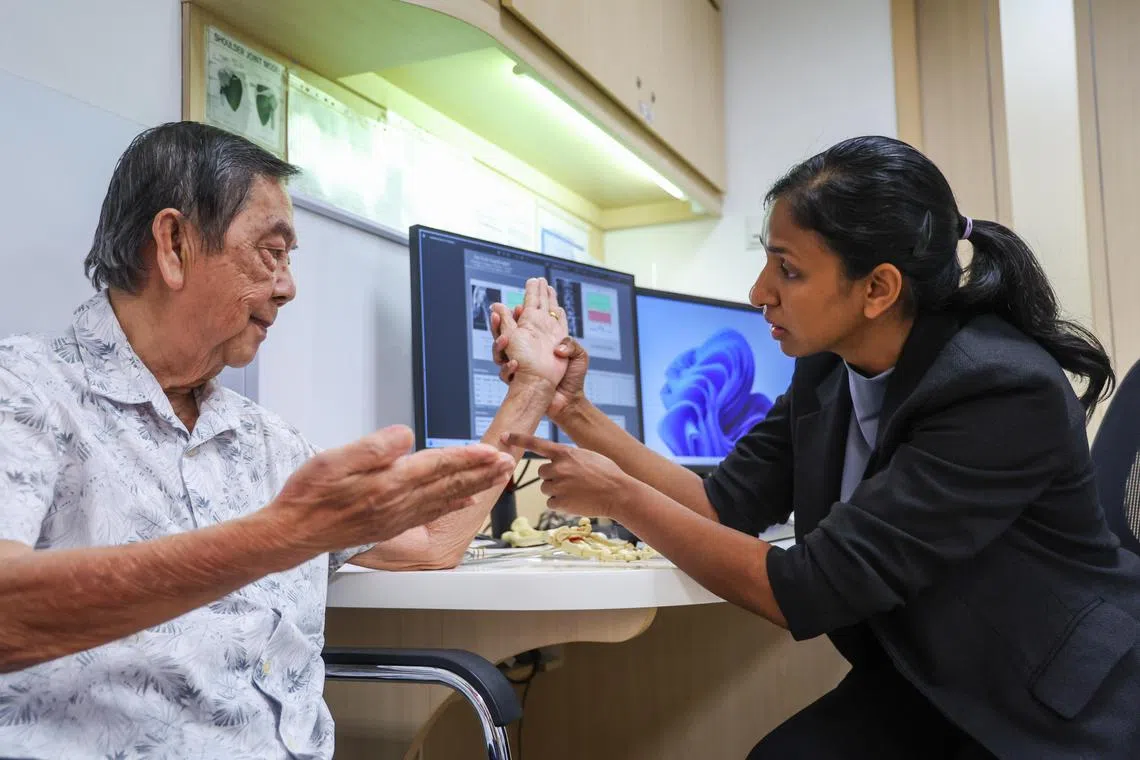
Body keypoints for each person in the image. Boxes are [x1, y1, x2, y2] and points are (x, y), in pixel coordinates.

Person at [494, 136, 1140, 759]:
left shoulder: (998, 387)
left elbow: (804, 587)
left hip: (1055, 700)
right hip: (936, 674)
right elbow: (724, 505)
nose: (758, 293)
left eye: (789, 270)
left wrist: (621, 497)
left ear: (878, 289)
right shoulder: (829, 366)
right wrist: (572, 409)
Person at [0, 121, 571, 759]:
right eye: (271, 253)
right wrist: (280, 536)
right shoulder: (24, 391)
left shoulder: (263, 442)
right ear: (174, 244)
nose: (288, 286)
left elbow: (434, 542)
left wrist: (532, 388)